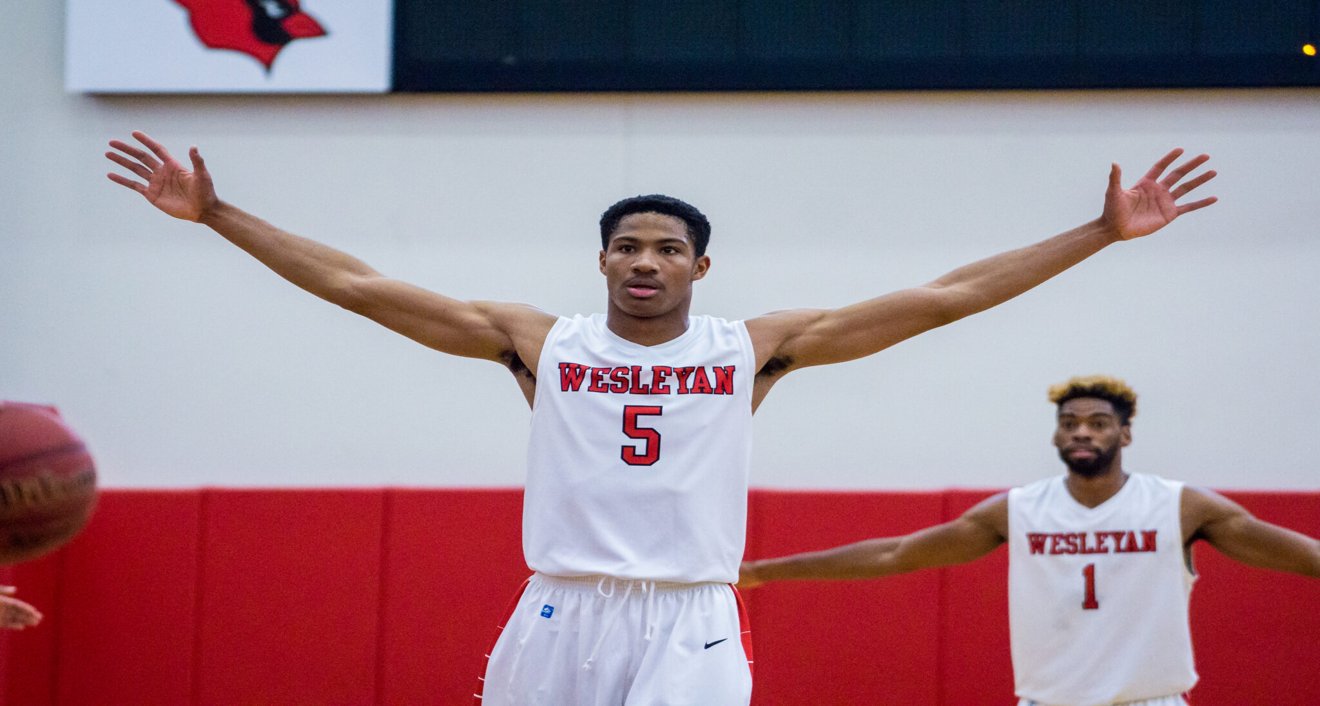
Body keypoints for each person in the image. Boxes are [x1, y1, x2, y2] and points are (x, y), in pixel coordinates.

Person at [105, 132, 1217, 706]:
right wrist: (217, 214)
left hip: (689, 613)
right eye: (628, 246)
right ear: (601, 260)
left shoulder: (749, 347)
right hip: (560, 603)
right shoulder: (539, 341)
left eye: (668, 247)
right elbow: (357, 287)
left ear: (700, 266)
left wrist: (1098, 233)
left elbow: (946, 298)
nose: (647, 260)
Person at [738, 375, 1320, 706]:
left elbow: (1295, 553)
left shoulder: (1179, 505)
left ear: (1125, 434)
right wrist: (764, 570)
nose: (1082, 432)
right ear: (1057, 436)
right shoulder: (1020, 510)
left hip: (1150, 700)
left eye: (1097, 423)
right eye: (1070, 424)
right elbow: (898, 552)